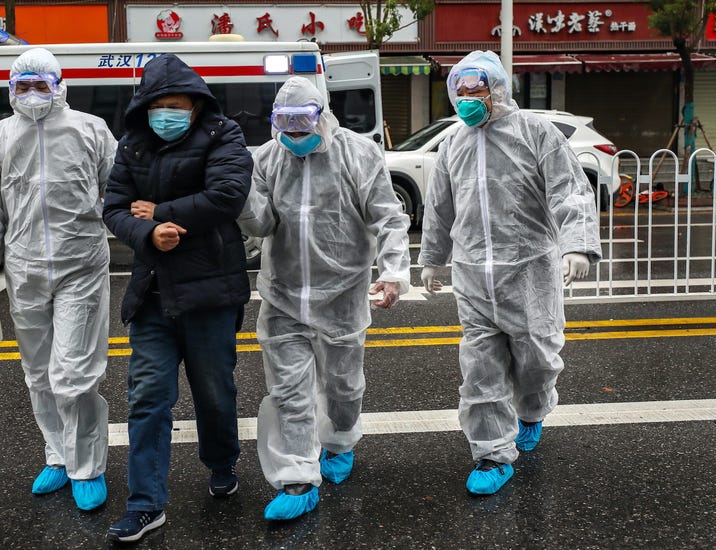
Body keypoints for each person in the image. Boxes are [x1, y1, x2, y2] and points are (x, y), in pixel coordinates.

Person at [418, 51, 601, 496]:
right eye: (460, 90)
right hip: (473, 277)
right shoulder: (452, 145)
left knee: (537, 359)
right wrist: (432, 259)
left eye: (475, 89)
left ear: (497, 89)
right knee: (480, 370)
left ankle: (532, 410)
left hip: (529, 272)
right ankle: (492, 454)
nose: (467, 98)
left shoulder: (535, 132)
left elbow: (569, 189)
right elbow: (440, 208)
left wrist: (577, 244)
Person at [239, 76, 412, 521]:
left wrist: (393, 272)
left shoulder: (358, 153)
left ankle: (339, 440)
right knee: (289, 392)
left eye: (303, 122)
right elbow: (261, 225)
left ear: (323, 116)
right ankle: (297, 478)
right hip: (283, 296)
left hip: (342, 295)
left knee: (343, 387)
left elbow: (388, 217)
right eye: (285, 123)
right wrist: (241, 198)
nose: (294, 133)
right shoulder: (267, 158)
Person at [102, 53, 252, 543]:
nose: (166, 113)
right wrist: (147, 232)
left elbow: (228, 195)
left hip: (211, 290)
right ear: (144, 106)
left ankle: (222, 461)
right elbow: (114, 208)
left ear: (196, 104)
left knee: (214, 392)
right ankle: (145, 503)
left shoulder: (223, 134)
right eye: (158, 105)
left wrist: (162, 213)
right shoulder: (133, 143)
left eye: (176, 104)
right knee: (147, 397)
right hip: (152, 293)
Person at [0, 48, 118, 511]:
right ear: (11, 89)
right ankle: (58, 454)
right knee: (38, 372)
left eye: (41, 85)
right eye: (23, 85)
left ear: (58, 85)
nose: (32, 93)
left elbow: (119, 189)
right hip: (25, 268)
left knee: (74, 372)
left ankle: (87, 467)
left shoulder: (90, 130)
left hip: (81, 265)